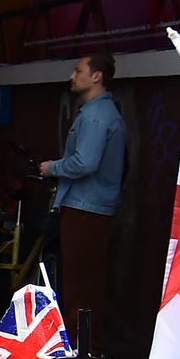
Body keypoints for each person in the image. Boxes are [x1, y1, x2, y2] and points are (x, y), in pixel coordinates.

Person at [37, 51, 126, 336]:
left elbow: (85, 162)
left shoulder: (96, 115)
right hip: (90, 205)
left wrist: (52, 168)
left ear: (97, 76)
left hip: (86, 206)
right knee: (85, 280)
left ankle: (81, 349)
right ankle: (83, 345)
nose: (71, 76)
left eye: (78, 71)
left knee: (80, 282)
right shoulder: (98, 112)